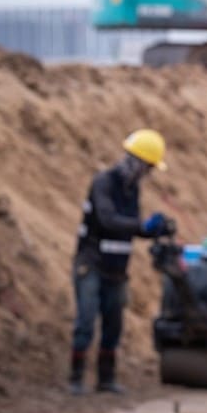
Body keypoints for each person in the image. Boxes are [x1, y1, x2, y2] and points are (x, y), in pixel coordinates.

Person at [69, 129, 174, 395]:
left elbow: (129, 227)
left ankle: (106, 379)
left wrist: (154, 230)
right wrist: (142, 225)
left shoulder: (131, 190)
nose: (148, 173)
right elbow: (108, 220)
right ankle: (76, 378)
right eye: (148, 167)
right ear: (137, 162)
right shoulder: (103, 183)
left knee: (113, 325)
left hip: (116, 269)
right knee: (86, 321)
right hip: (91, 263)